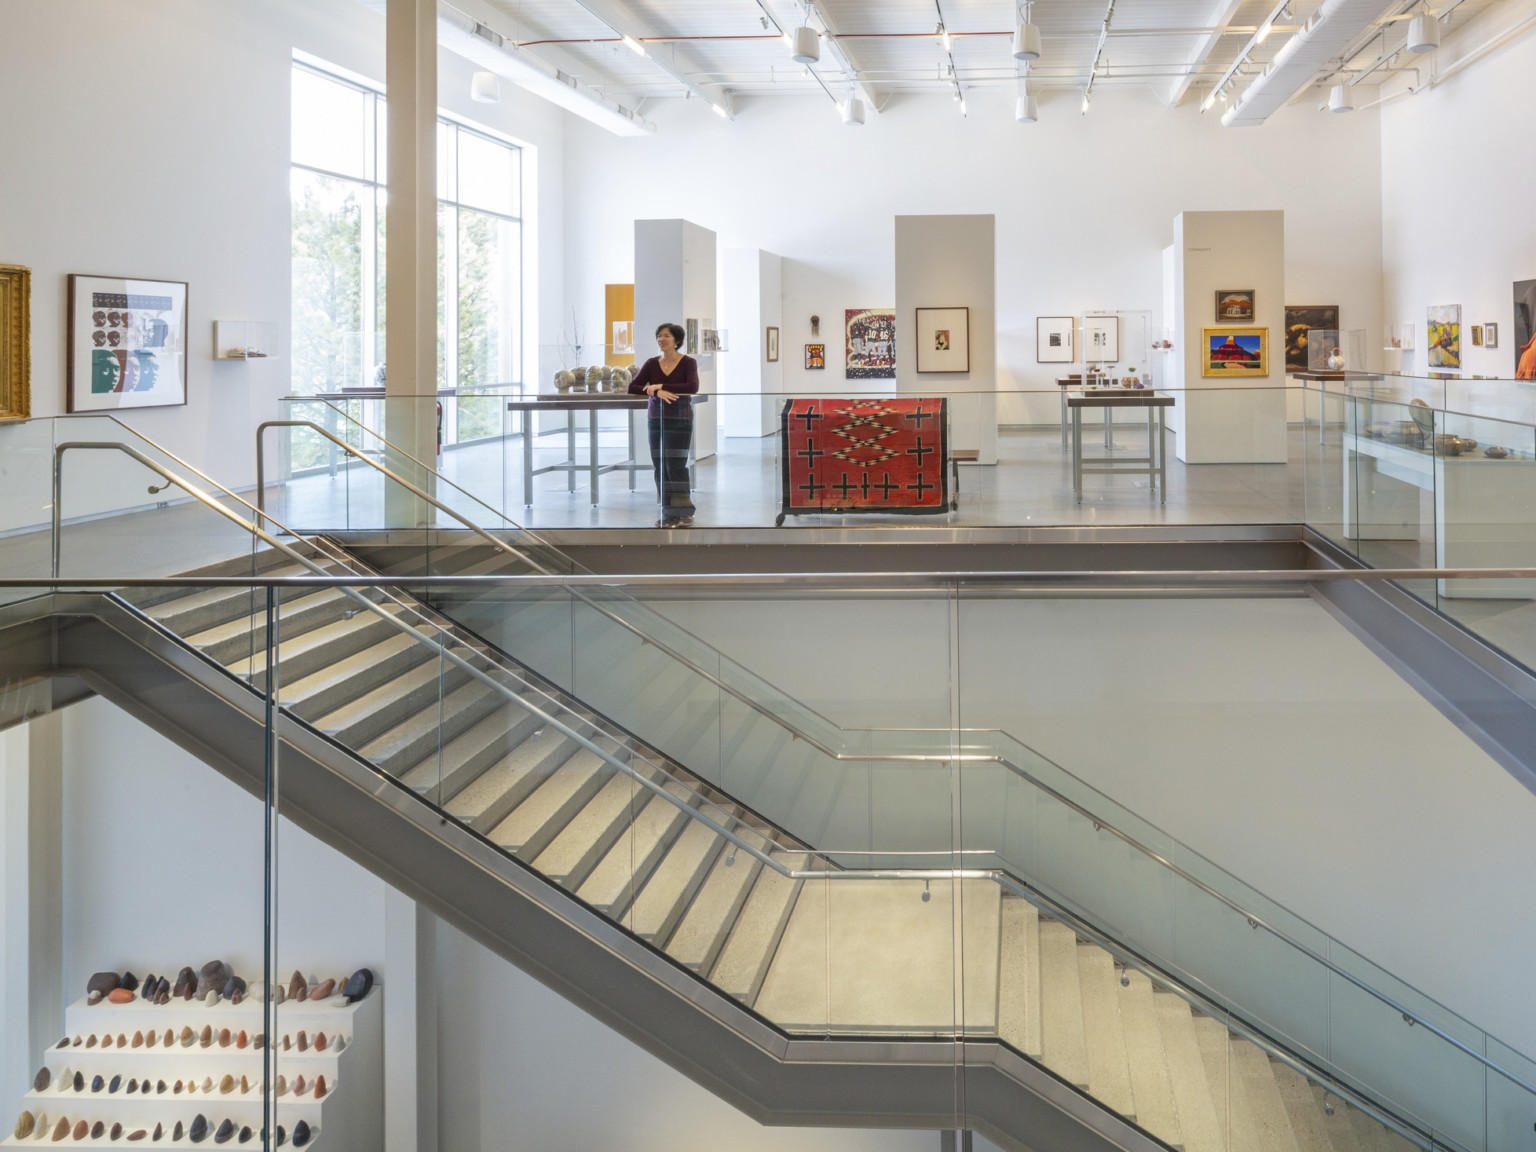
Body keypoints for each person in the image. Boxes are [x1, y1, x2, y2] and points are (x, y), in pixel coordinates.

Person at [628, 322, 699, 527]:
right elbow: (633, 386)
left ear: (676, 340)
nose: (661, 339)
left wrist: (662, 385)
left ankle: (684, 511)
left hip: (680, 419)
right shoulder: (651, 363)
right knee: (660, 465)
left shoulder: (688, 363)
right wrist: (656, 391)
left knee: (675, 465)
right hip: (656, 419)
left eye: (666, 336)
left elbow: (692, 386)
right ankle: (667, 511)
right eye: (659, 335)